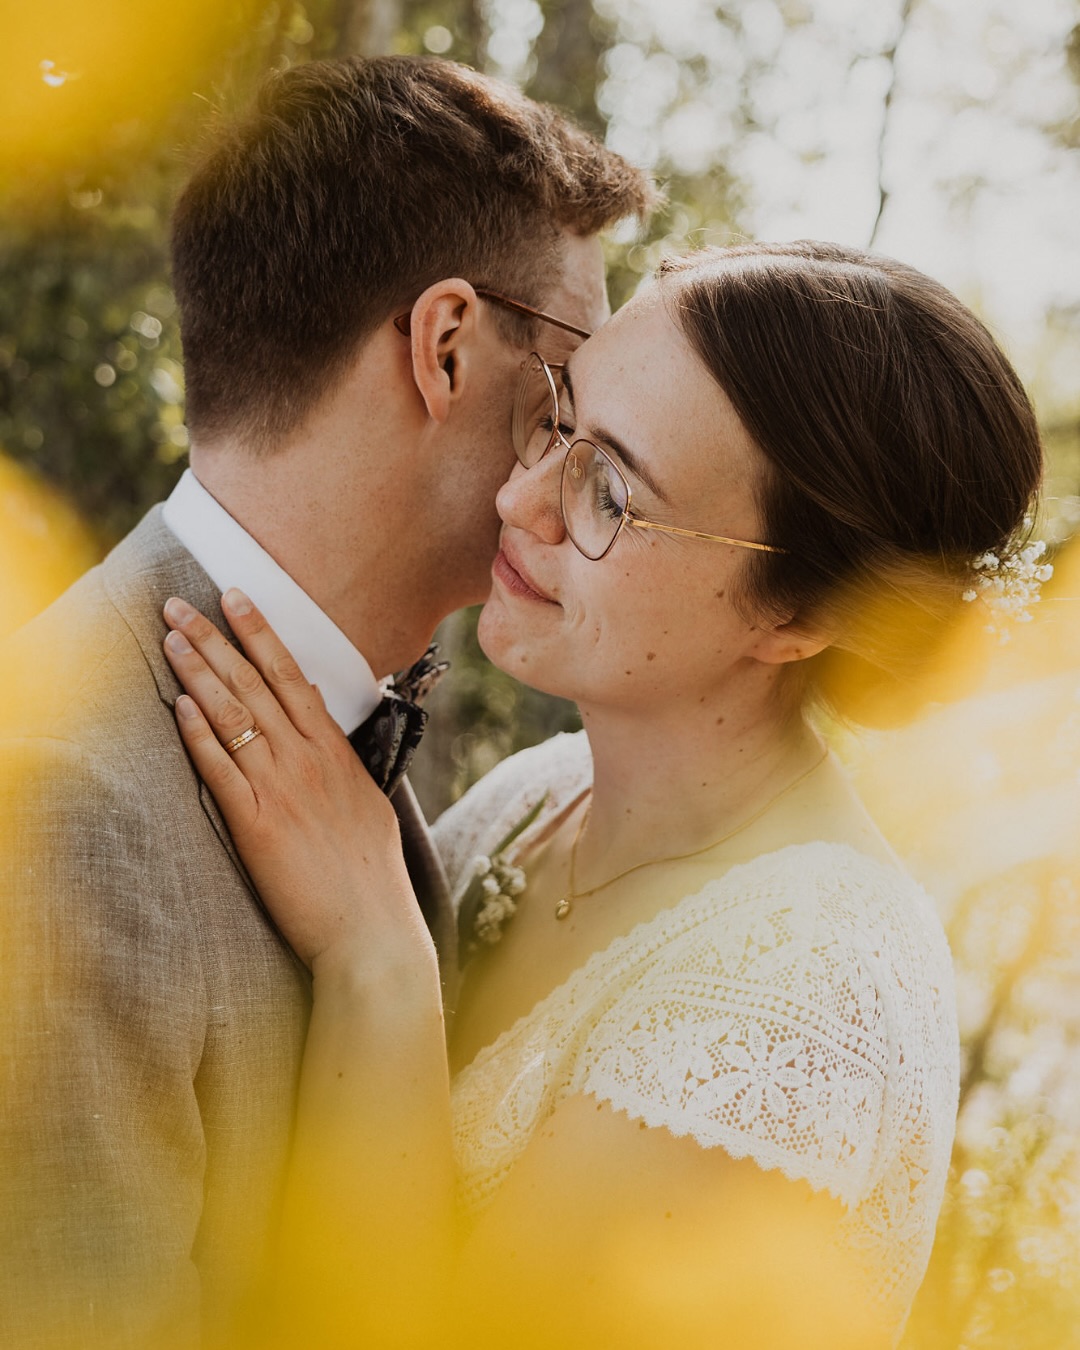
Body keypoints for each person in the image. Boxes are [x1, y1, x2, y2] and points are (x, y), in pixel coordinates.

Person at [162, 240, 1046, 1348]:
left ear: (797, 616)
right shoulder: (534, 801)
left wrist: (376, 962)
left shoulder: (805, 1008)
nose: (519, 496)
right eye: (557, 419)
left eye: (612, 492)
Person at [0, 55, 651, 1349]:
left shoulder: (337, 739)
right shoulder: (63, 806)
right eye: (572, 376)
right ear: (448, 346)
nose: (588, 440)